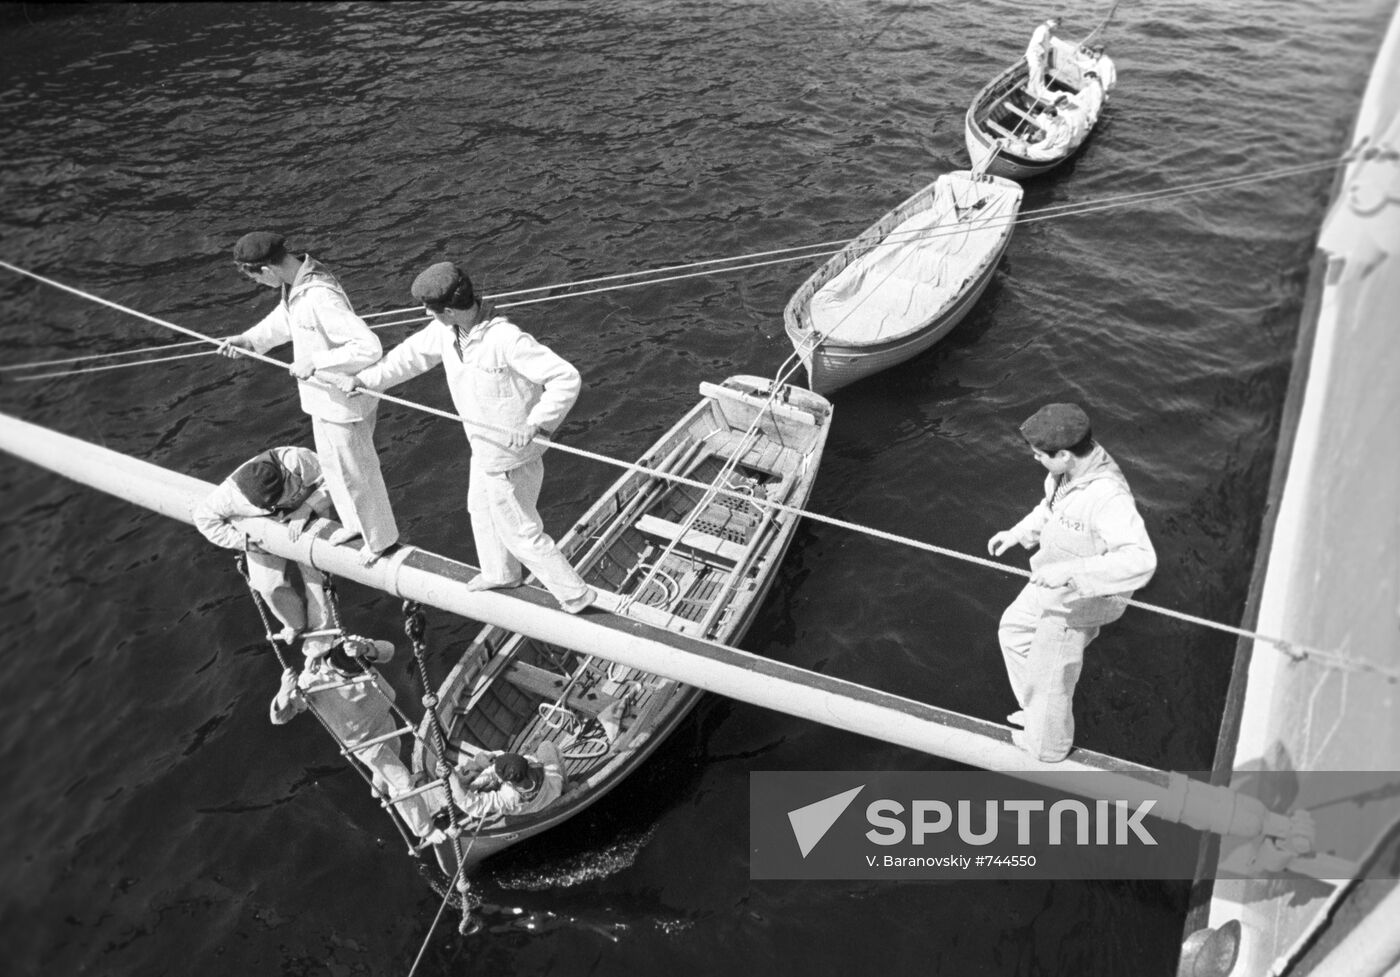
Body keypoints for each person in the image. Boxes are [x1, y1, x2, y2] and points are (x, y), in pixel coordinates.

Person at [327, 261, 596, 614]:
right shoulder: (445, 332)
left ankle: (575, 595)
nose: (427, 314)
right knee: (480, 510)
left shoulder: (506, 339)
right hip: (483, 448)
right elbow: (407, 359)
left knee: (520, 531)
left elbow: (565, 377)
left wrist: (537, 423)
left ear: (450, 311)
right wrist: (364, 380)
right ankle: (501, 574)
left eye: (430, 308)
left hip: (510, 456)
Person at [986, 403, 1156, 762]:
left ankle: (1047, 747)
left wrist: (1071, 573)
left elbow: (1141, 561)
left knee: (1049, 675)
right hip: (1054, 580)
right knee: (1014, 631)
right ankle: (1037, 713)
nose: (1035, 459)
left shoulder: (1107, 497)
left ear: (1063, 454)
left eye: (1039, 454)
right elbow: (1050, 509)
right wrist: (1017, 534)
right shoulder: (1066, 474)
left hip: (1083, 598)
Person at [219, 231, 398, 566]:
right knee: (333, 467)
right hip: (322, 400)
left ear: (266, 270)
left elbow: (368, 347)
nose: (259, 284)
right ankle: (354, 525)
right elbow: (288, 319)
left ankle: (381, 541)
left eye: (256, 278)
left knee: (357, 473)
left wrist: (316, 361)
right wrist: (248, 340)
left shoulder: (319, 295)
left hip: (343, 404)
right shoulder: (296, 284)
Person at [271, 635, 450, 842]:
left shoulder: (350, 645)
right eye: (350, 674)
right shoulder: (310, 682)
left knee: (395, 753)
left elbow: (388, 650)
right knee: (402, 784)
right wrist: (284, 691)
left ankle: (380, 789)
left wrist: (366, 648)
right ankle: (424, 830)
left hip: (384, 721)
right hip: (366, 743)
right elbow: (279, 718)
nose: (358, 675)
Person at [193, 445, 336, 655]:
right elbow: (204, 519)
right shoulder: (229, 494)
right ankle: (294, 624)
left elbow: (336, 480)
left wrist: (307, 508)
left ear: (284, 477)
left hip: (307, 510)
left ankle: (321, 632)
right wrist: (243, 542)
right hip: (263, 528)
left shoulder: (298, 460)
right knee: (267, 585)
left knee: (315, 576)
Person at [448, 745, 565, 821]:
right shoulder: (529, 761)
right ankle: (566, 786)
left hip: (533, 808)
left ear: (508, 781)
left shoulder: (508, 797)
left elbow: (471, 805)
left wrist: (452, 776)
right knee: (547, 745)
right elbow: (494, 770)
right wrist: (475, 784)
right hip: (553, 788)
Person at [1025, 17, 1062, 100]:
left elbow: (1044, 43)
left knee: (1039, 77)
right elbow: (1036, 44)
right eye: (1056, 27)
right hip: (1035, 57)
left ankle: (1038, 92)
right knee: (1034, 77)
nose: (1056, 29)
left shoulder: (1046, 30)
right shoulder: (1042, 30)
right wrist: (1041, 55)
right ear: (1054, 24)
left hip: (1039, 58)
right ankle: (1032, 95)